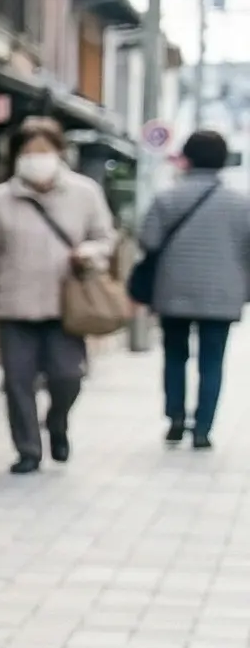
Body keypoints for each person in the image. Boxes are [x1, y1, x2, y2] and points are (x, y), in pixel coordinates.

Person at [0, 117, 115, 474]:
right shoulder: (1, 199)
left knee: (67, 377)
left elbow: (106, 238)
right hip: (13, 305)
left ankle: (57, 422)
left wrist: (90, 252)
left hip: (66, 306)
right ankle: (28, 449)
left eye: (43, 151)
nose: (36, 158)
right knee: (17, 381)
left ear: (59, 153)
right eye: (28, 152)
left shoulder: (84, 193)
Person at [138, 130, 250, 448]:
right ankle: (203, 429)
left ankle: (175, 418)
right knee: (212, 361)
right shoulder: (242, 205)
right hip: (223, 294)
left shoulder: (167, 198)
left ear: (186, 157)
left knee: (175, 355)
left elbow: (148, 241)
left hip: (173, 291)